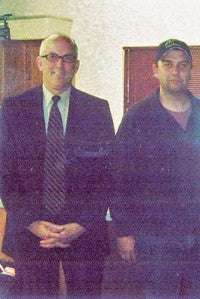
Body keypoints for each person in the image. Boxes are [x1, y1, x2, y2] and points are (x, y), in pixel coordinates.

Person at [110, 38, 200, 298]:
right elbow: (119, 178)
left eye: (182, 65)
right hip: (156, 237)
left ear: (191, 71)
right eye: (167, 64)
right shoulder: (137, 117)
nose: (175, 71)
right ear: (155, 69)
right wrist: (123, 230)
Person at [0, 33, 115, 297]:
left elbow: (107, 175)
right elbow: (6, 174)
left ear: (76, 65)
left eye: (67, 59)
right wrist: (32, 222)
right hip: (31, 233)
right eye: (52, 57)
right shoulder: (13, 108)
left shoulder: (96, 110)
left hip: (83, 233)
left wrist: (80, 225)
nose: (59, 65)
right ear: (40, 63)